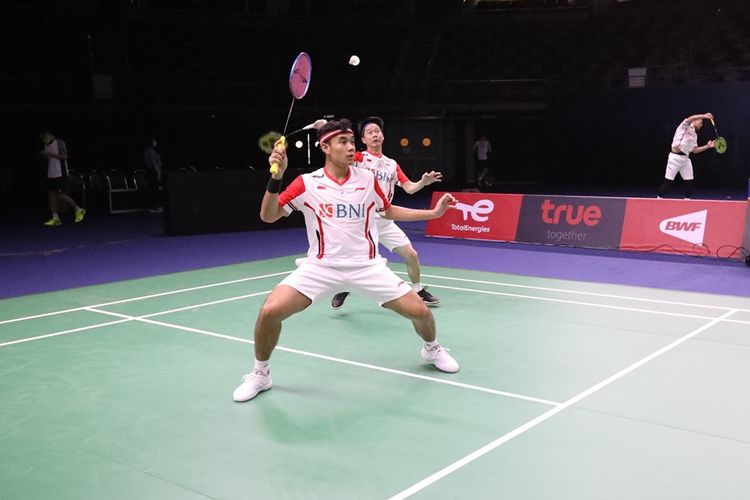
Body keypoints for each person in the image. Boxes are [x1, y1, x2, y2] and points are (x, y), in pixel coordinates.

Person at [233, 119, 460, 403]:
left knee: (422, 313)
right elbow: (268, 215)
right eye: (343, 142)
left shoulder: (368, 180)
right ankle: (260, 374)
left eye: (352, 141)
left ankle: (432, 349)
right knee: (269, 311)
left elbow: (388, 211)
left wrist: (432, 214)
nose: (351, 147)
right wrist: (276, 177)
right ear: (325, 147)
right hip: (320, 268)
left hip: (367, 266)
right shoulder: (306, 183)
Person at [330, 116, 442, 311]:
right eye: (370, 132)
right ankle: (343, 287)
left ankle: (417, 289)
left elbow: (409, 188)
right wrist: (326, 130)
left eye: (377, 131)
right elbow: (337, 155)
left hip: (385, 218)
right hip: (361, 220)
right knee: (356, 260)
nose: (375, 134)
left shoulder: (391, 164)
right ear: (363, 140)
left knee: (411, 254)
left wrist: (423, 182)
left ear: (382, 136)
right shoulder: (358, 158)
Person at [658, 113, 715, 199]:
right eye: (701, 122)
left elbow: (694, 151)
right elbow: (689, 118)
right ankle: (659, 198)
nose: (701, 125)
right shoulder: (684, 126)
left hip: (685, 159)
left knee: (689, 182)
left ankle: (687, 200)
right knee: (668, 182)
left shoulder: (695, 136)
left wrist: (708, 146)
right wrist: (704, 116)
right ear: (695, 121)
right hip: (674, 158)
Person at [40, 131, 85, 226]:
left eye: (44, 138)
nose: (44, 141)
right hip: (51, 173)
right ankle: (55, 218)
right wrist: (46, 155)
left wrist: (51, 154)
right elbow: (49, 160)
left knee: (60, 195)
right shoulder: (46, 145)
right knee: (51, 194)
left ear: (49, 135)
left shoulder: (59, 142)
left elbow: (65, 156)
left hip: (60, 173)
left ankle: (78, 209)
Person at [143, 138, 163, 212]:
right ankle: (154, 206)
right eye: (154, 141)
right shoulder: (150, 151)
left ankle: (155, 206)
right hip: (152, 172)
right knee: (154, 189)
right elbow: (154, 163)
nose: (155, 142)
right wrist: (158, 173)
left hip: (151, 171)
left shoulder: (149, 150)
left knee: (154, 189)